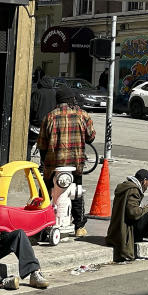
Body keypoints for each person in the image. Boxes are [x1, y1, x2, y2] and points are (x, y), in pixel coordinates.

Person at [37, 86, 96, 237]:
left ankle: (38, 223)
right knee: (76, 193)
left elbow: (42, 144)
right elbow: (91, 137)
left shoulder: (49, 117)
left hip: (53, 164)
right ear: (70, 100)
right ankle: (79, 226)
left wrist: (45, 160)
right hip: (75, 164)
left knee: (45, 194)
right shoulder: (83, 115)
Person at [28, 77, 57, 161]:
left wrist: (31, 119)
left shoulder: (37, 93)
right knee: (45, 146)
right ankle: (43, 166)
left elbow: (33, 108)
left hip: (37, 124)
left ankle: (27, 162)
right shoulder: (54, 93)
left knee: (29, 143)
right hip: (50, 124)